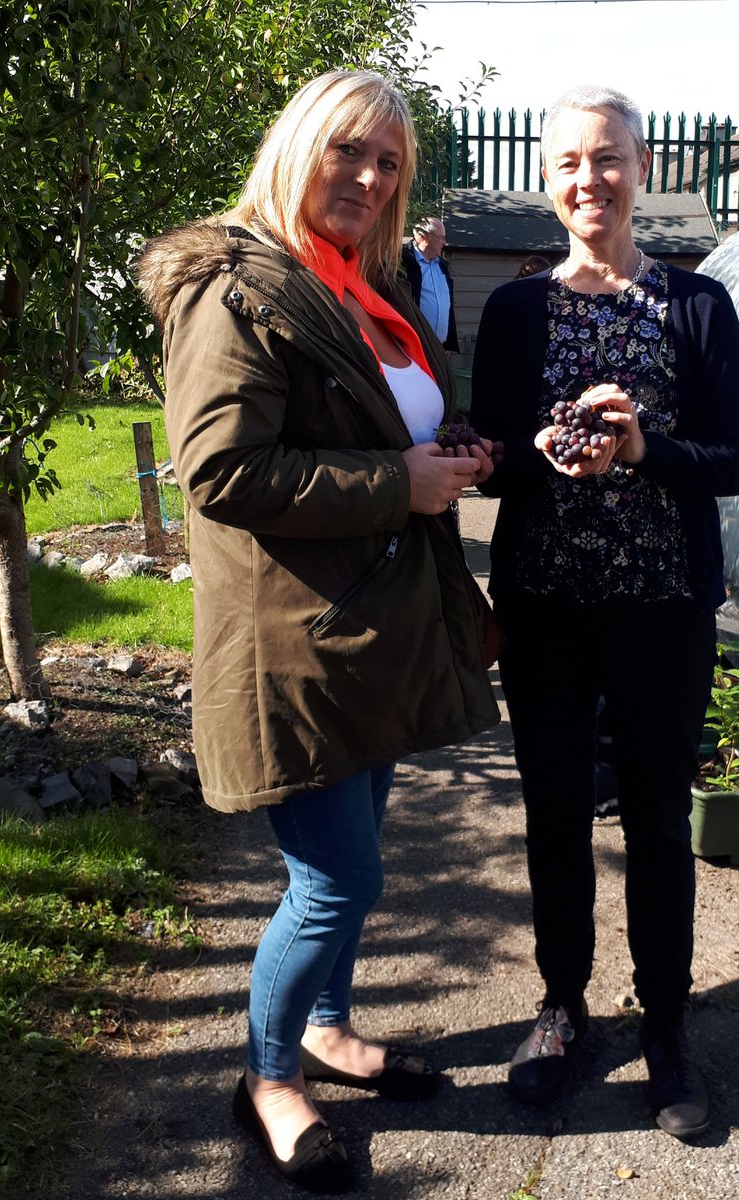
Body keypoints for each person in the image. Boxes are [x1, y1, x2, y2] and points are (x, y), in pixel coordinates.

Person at [138, 69, 499, 1195]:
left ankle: (332, 1029)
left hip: (369, 634)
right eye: (349, 149)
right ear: (299, 144)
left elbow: (387, 424)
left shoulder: (357, 282)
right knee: (333, 882)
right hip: (294, 642)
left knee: (361, 862)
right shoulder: (234, 285)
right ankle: (267, 1078)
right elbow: (223, 469)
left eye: (388, 162)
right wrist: (400, 482)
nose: (368, 176)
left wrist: (453, 453)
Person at [470, 84, 739, 1139]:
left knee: (654, 822)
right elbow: (492, 448)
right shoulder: (514, 309)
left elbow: (732, 458)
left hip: (660, 611)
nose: (588, 179)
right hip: (546, 608)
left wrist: (645, 449)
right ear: (547, 182)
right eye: (567, 164)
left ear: (640, 170)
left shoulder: (695, 306)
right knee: (551, 811)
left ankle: (667, 1025)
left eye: (607, 159)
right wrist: (530, 456)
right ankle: (560, 1006)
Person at [400, 216, 460, 352]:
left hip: (440, 349)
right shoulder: (404, 263)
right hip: (412, 347)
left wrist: (448, 343)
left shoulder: (442, 266)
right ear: (423, 237)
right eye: (441, 238)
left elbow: (447, 306)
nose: (444, 243)